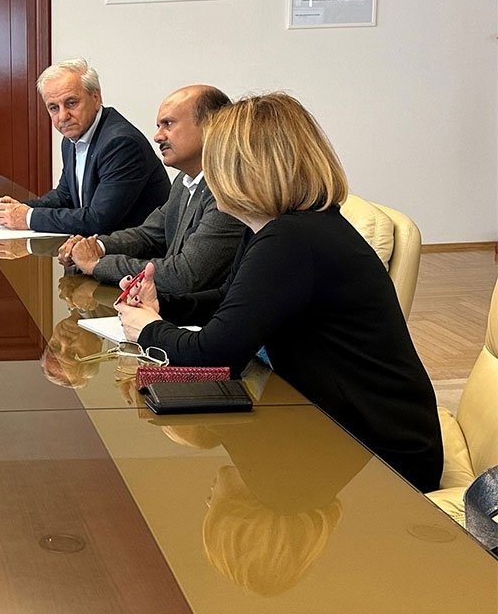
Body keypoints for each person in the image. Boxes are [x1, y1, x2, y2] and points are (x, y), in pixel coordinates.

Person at [114, 92, 442, 492]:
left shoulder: (291, 241)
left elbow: (214, 354)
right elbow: (231, 303)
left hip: (379, 453)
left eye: (215, 159)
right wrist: (163, 306)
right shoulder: (278, 229)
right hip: (334, 425)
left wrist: (148, 329)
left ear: (243, 168)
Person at [57, 85, 244, 294]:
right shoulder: (185, 180)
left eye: (168, 124)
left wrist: (97, 265)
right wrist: (95, 246)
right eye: (158, 126)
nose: (157, 136)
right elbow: (149, 235)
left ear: (210, 126)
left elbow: (185, 275)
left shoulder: (229, 190)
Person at [0, 59, 169, 236]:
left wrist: (28, 217)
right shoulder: (72, 139)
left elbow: (98, 221)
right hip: (97, 246)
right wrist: (21, 208)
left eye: (71, 103)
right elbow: (65, 196)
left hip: (136, 250)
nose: (63, 116)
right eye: (54, 108)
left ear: (96, 97)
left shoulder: (121, 143)